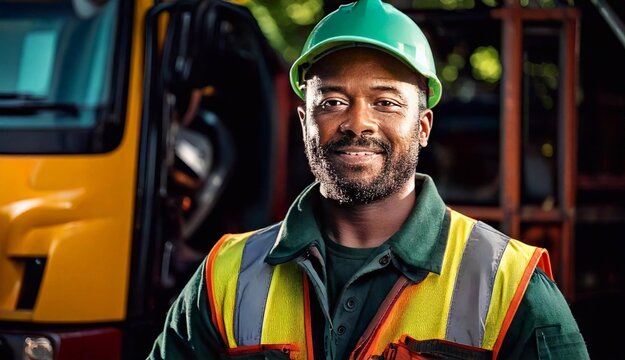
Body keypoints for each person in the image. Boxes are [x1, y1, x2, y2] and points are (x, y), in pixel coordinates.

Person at [147, 0, 590, 359]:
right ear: (304, 121)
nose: (358, 123)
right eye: (334, 101)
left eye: (386, 103)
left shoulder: (510, 284)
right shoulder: (226, 276)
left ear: (423, 126)